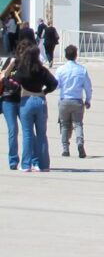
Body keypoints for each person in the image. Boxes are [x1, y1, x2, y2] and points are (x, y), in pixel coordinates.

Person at [13, 42, 57, 171]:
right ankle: (43, 165)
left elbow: (15, 83)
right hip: (40, 99)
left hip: (26, 100)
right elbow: (54, 83)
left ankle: (26, 164)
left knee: (27, 134)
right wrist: (45, 91)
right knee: (42, 134)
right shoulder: (42, 70)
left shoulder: (22, 70)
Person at [54, 44, 92, 158]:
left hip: (64, 100)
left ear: (65, 55)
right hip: (77, 100)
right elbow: (88, 87)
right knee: (78, 124)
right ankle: (80, 143)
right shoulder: (82, 70)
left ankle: (65, 149)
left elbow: (56, 85)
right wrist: (88, 99)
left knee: (64, 125)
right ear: (76, 55)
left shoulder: (61, 69)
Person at [1, 43, 25, 168]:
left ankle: (28, 160)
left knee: (27, 130)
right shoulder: (10, 61)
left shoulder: (27, 65)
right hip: (8, 100)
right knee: (13, 130)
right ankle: (13, 161)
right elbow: (2, 76)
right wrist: (11, 65)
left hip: (22, 101)